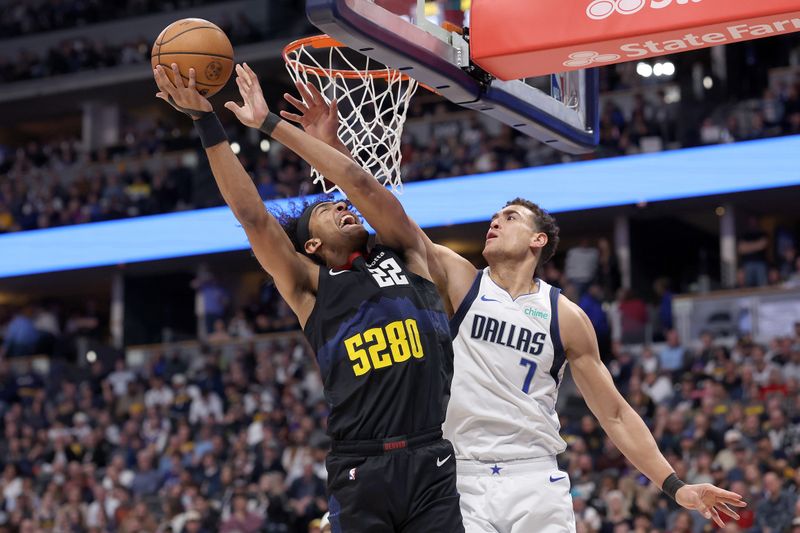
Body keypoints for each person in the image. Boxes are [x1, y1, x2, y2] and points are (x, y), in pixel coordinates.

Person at [282, 90, 747, 533]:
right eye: (495, 217)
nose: (496, 222)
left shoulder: (564, 315)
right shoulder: (458, 279)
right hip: (459, 474)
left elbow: (616, 415)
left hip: (535, 476)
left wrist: (675, 485)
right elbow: (386, 210)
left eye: (510, 218)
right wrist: (335, 147)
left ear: (537, 240)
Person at [153, 63, 462, 532]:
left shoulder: (407, 252)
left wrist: (273, 125)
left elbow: (359, 185)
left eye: (339, 204)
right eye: (325, 209)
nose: (341, 205)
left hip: (431, 457)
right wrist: (205, 121)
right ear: (311, 246)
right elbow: (253, 218)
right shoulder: (311, 286)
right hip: (362, 466)